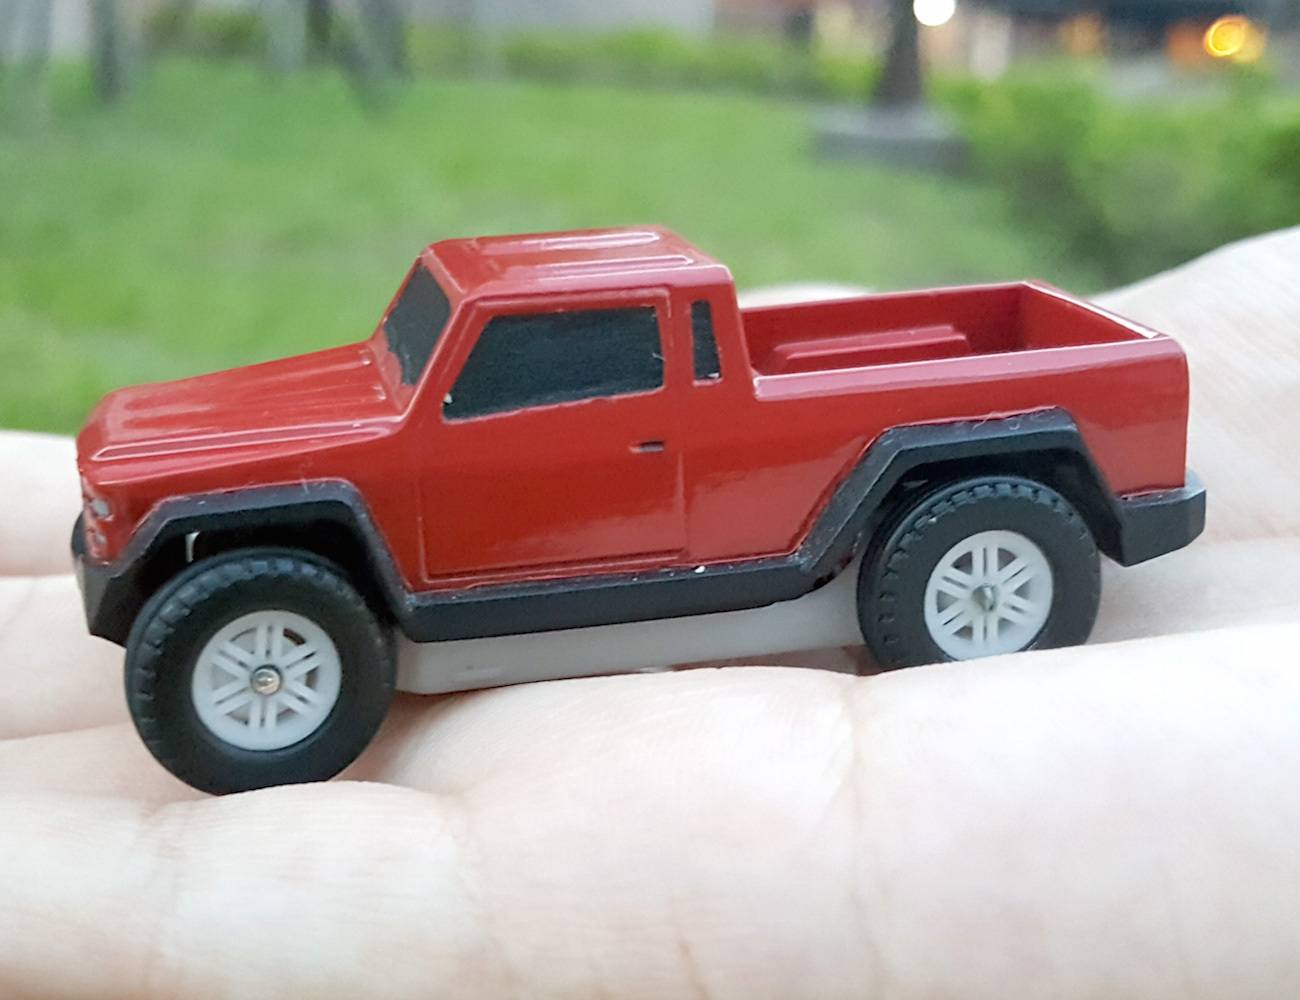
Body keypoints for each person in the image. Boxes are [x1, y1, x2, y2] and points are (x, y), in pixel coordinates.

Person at [1, 228, 1297, 998]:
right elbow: (399, 393)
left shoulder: (980, 442)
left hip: (715, 493)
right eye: (432, 337)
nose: (415, 363)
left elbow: (456, 403)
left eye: (471, 355)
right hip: (646, 463)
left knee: (948, 547)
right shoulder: (380, 405)